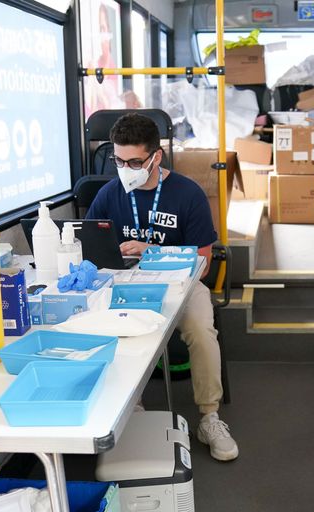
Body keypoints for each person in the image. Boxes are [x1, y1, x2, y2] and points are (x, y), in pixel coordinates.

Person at [87, 113, 238, 461]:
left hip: (182, 285)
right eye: (119, 160)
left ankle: (209, 417)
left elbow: (202, 262)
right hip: (125, 286)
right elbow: (92, 246)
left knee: (201, 329)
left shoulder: (187, 193)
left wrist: (152, 252)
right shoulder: (110, 194)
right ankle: (132, 412)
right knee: (110, 330)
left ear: (156, 156)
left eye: (134, 161)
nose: (125, 168)